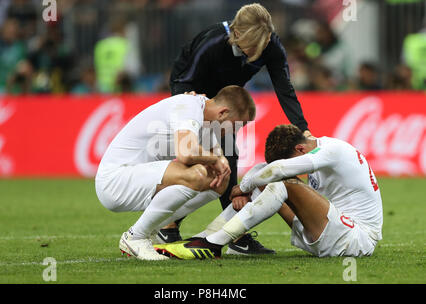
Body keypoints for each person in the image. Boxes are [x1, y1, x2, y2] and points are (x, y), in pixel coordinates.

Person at [162, 3, 311, 255]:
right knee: (212, 161)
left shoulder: (271, 46)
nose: (256, 53)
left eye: (261, 46)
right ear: (236, 34)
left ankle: (185, 226)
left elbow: (284, 89)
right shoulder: (212, 44)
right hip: (192, 94)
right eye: (251, 46)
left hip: (225, 100)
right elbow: (183, 82)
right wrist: (188, 118)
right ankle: (229, 234)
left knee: (226, 159)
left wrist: (303, 130)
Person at [155, 124, 383, 259]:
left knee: (280, 181)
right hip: (327, 230)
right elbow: (266, 170)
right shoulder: (315, 148)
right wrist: (248, 190)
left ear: (300, 149)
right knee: (268, 176)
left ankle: (213, 245)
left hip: (356, 238)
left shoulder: (333, 151)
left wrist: (243, 187)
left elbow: (279, 169)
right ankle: (204, 238)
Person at [95, 85, 255, 261]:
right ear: (223, 113)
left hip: (136, 178)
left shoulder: (206, 119)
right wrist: (217, 160)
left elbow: (218, 158)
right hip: (115, 180)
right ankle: (136, 237)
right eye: (237, 124)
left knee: (218, 180)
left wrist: (221, 162)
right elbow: (186, 153)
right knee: (197, 174)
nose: (236, 131)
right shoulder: (189, 107)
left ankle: (162, 231)